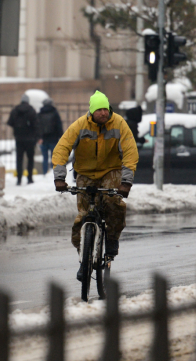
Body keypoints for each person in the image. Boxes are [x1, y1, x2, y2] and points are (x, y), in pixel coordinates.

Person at [53, 91, 138, 275]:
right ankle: (84, 257)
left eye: (105, 109)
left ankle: (112, 240)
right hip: (85, 173)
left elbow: (130, 153)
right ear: (91, 111)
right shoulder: (80, 125)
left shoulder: (119, 124)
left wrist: (126, 182)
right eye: (99, 110)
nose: (103, 113)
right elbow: (62, 148)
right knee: (82, 217)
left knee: (113, 204)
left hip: (111, 171)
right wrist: (59, 178)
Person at [7, 94, 38, 184]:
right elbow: (36, 124)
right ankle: (29, 178)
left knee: (19, 159)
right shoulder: (31, 110)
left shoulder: (15, 110)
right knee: (30, 159)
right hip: (30, 139)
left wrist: (17, 128)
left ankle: (19, 179)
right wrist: (36, 135)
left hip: (19, 138)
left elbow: (10, 122)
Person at [38, 98, 64, 174]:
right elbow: (59, 125)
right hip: (53, 138)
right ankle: (52, 174)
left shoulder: (40, 113)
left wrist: (39, 137)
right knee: (54, 158)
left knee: (45, 158)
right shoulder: (55, 113)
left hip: (43, 139)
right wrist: (61, 136)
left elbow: (38, 126)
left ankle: (45, 173)